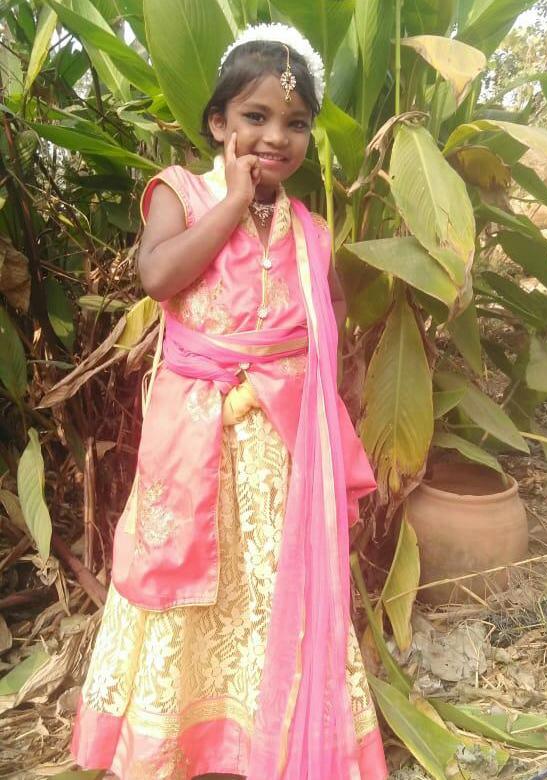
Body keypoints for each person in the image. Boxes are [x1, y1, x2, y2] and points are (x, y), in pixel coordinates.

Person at [71, 22, 388, 780]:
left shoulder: (308, 229)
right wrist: (234, 200)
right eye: (255, 116)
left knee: (268, 587)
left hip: (279, 449)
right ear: (218, 122)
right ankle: (173, 741)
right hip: (194, 435)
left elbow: (323, 321)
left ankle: (262, 739)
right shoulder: (179, 193)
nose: (275, 136)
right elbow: (159, 276)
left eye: (295, 123)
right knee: (181, 581)